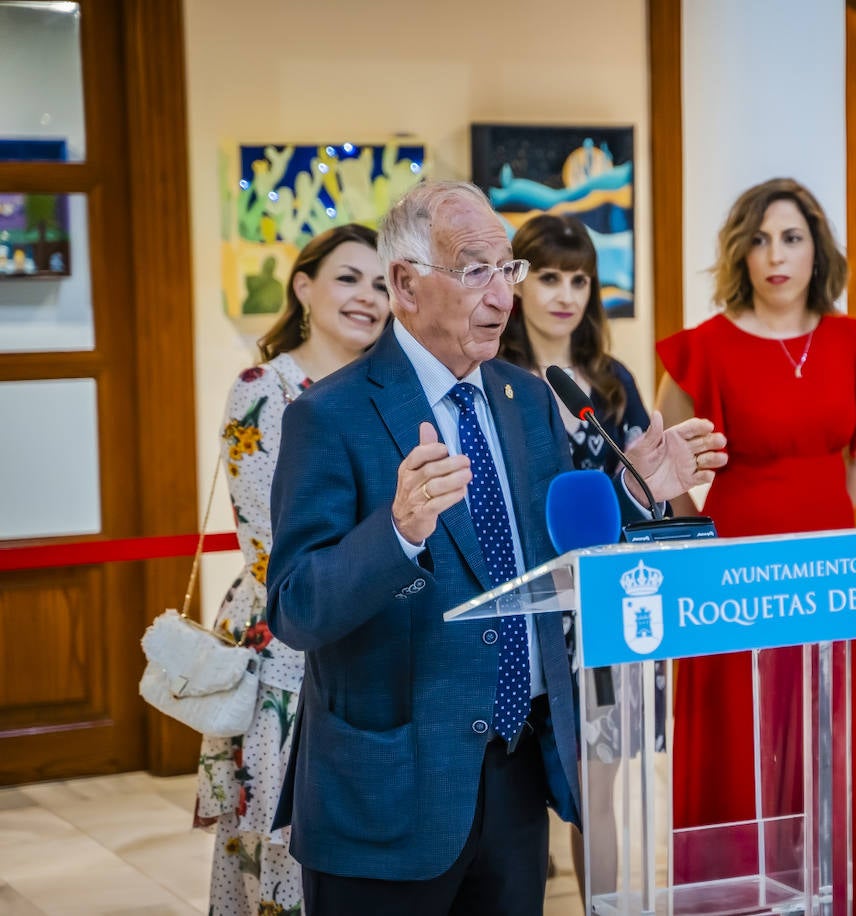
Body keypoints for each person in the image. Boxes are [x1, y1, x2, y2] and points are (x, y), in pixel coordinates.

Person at [263, 180, 725, 915]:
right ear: (407, 285)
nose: (503, 295)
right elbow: (295, 608)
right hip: (392, 792)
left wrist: (641, 492)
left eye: (507, 270)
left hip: (514, 773)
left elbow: (561, 548)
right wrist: (396, 533)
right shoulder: (330, 415)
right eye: (475, 269)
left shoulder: (528, 396)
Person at [656, 177, 856, 914]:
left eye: (791, 237)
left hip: (833, 564)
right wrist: (715, 533)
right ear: (739, 253)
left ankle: (830, 890)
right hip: (735, 562)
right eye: (759, 239)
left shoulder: (852, 339)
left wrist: (821, 525)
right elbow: (666, 463)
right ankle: (733, 900)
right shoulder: (705, 348)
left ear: (818, 248)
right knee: (737, 740)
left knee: (826, 736)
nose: (775, 255)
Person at [193, 223, 390, 916]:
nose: (368, 296)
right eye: (349, 278)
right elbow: (273, 545)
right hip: (290, 637)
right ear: (304, 287)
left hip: (373, 628)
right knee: (282, 836)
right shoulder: (265, 390)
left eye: (383, 283)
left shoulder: (385, 391)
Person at [499, 213, 656, 899]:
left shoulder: (613, 380)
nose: (565, 294)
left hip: (602, 613)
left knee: (597, 795)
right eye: (548, 277)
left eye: (580, 279)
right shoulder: (491, 379)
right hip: (520, 618)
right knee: (517, 799)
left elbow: (646, 487)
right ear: (516, 283)